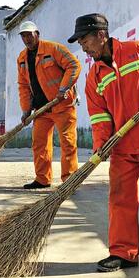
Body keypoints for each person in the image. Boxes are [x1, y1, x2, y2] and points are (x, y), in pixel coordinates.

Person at [68, 13, 139, 272]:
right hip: (122, 146)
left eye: (85, 40)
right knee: (120, 198)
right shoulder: (94, 77)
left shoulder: (137, 51)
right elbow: (99, 116)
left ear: (101, 35)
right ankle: (123, 252)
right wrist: (102, 143)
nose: (83, 47)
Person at [16, 20, 81, 189]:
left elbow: (74, 65)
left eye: (29, 35)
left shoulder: (53, 49)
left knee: (67, 142)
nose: (27, 39)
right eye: (23, 36)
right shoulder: (22, 58)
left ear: (37, 34)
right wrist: (26, 110)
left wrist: (63, 88)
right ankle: (42, 179)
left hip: (62, 105)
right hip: (41, 110)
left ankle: (70, 181)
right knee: (39, 143)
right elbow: (23, 85)